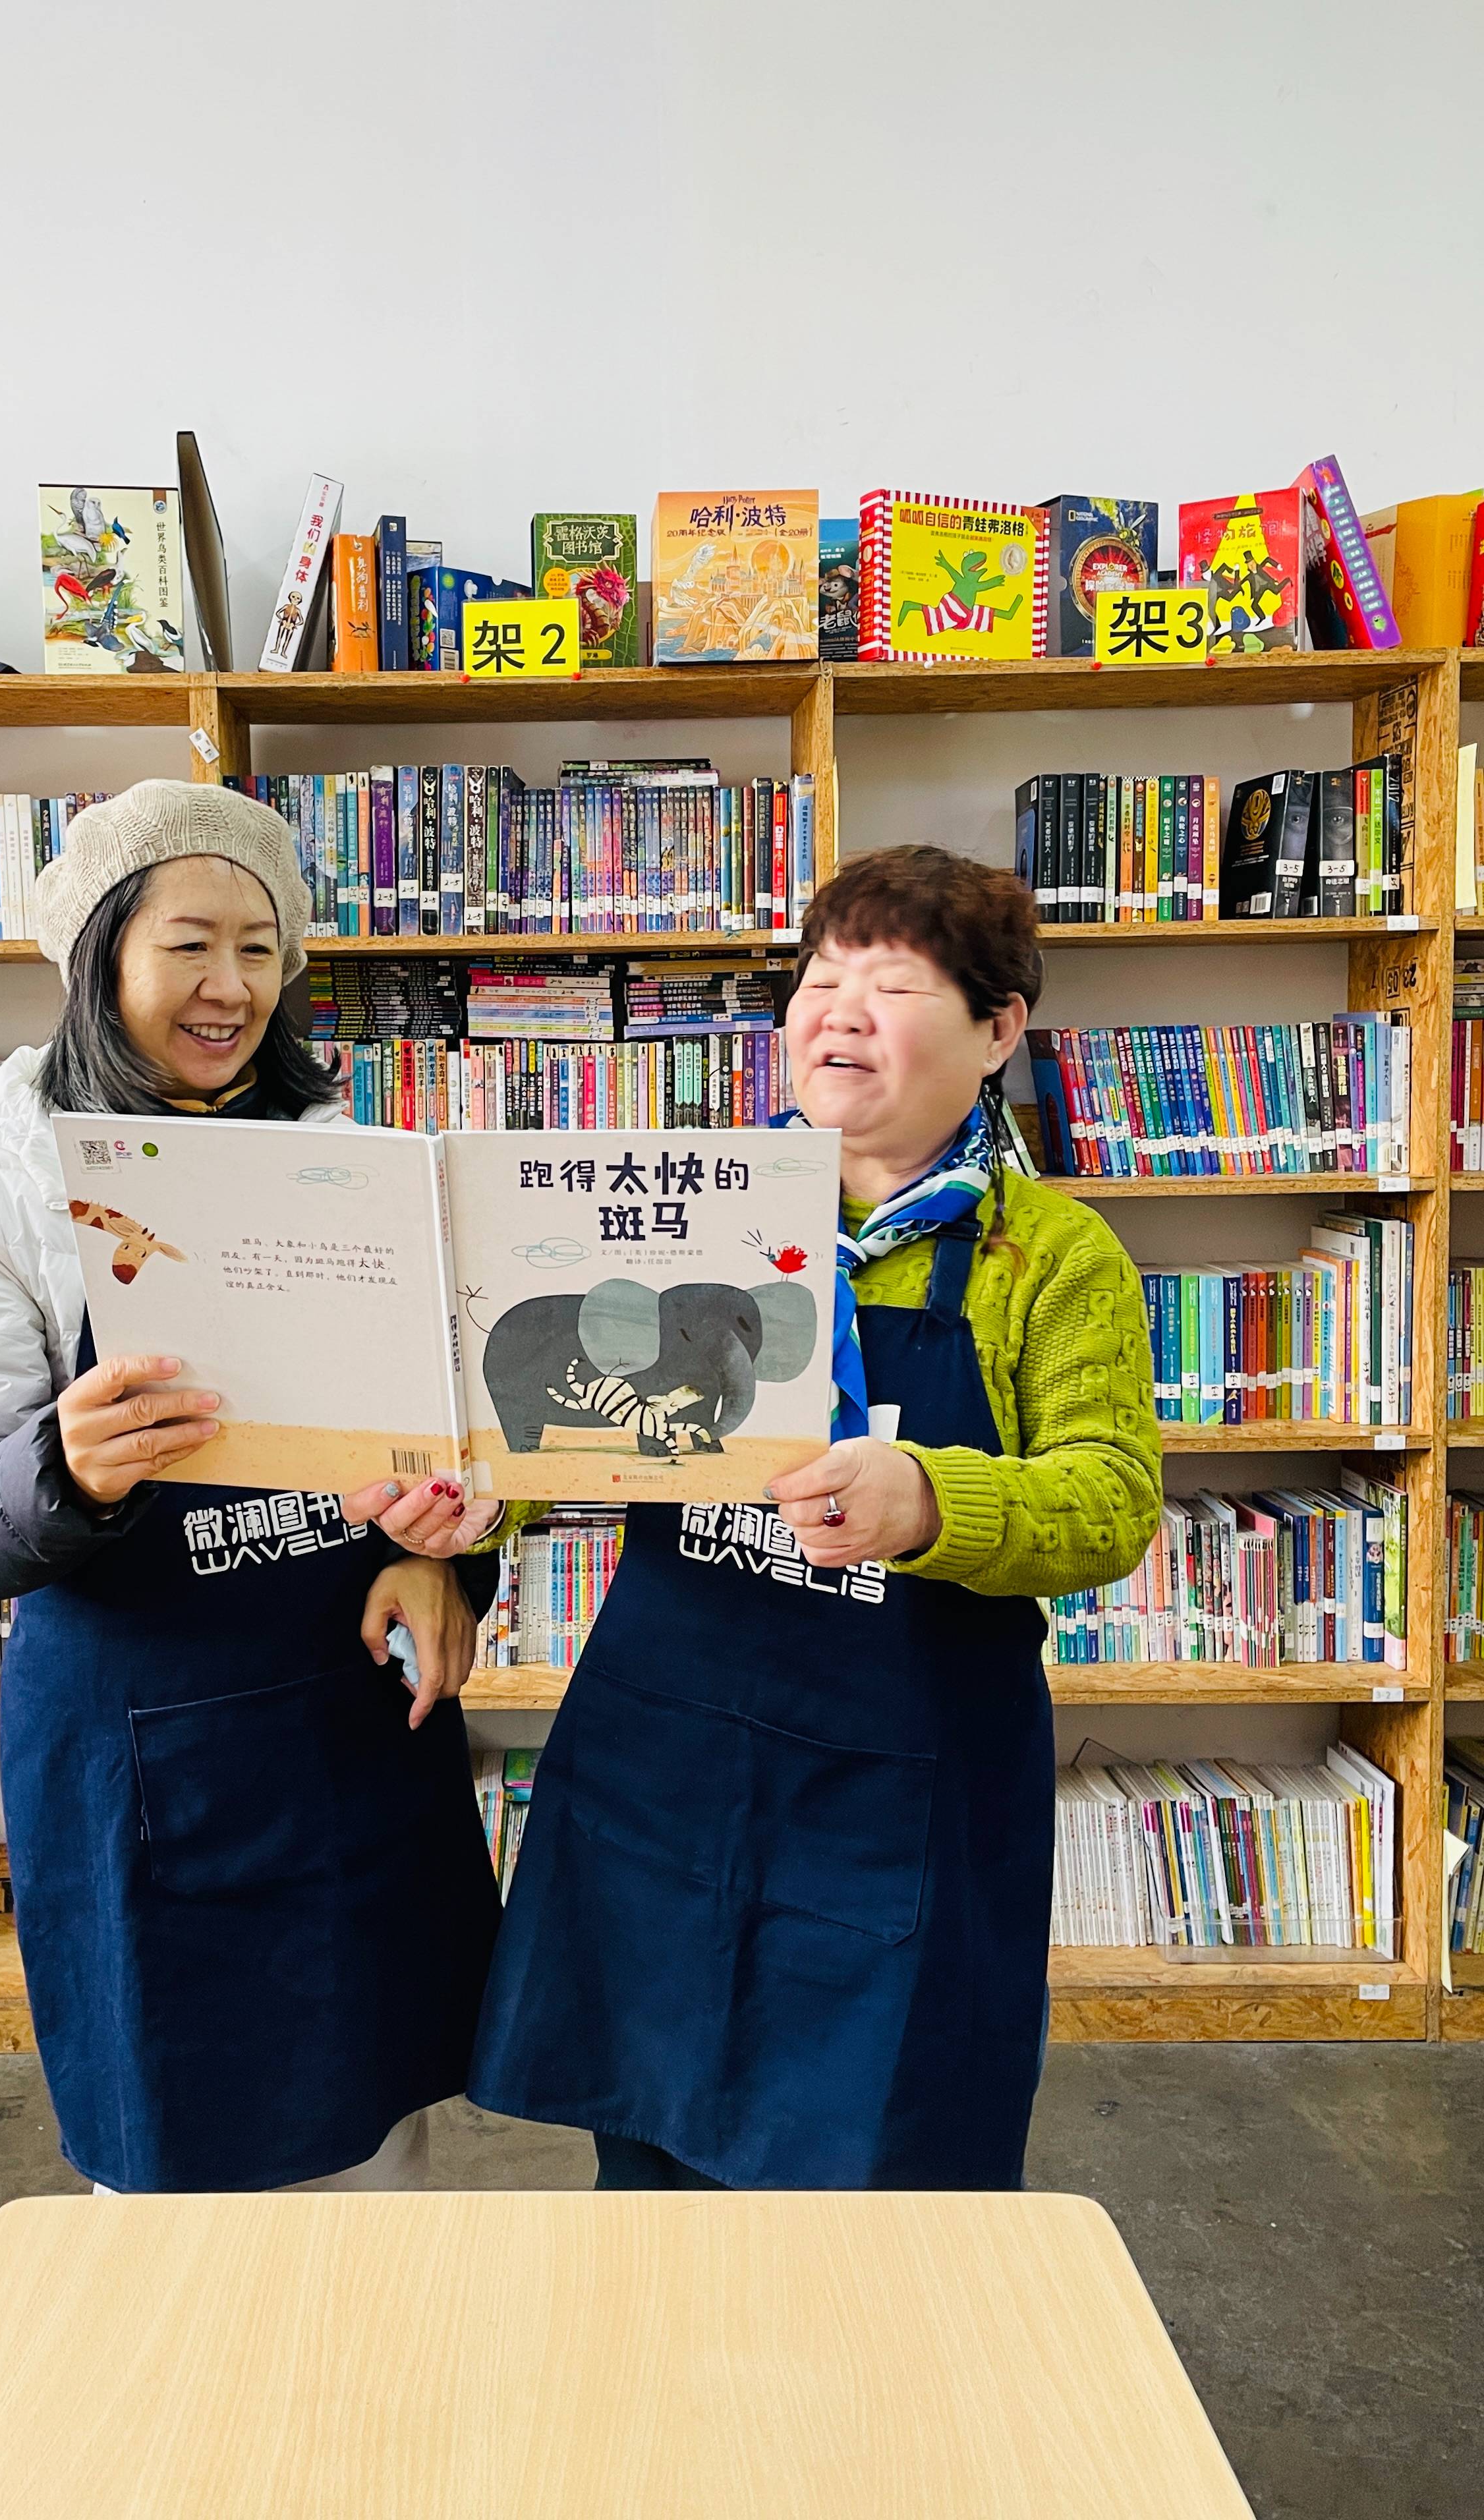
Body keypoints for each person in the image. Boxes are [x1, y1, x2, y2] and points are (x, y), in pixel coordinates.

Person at [469, 844, 1161, 2191]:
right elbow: (564, 1421)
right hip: (668, 1769)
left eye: (892, 986)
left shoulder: (1050, 1256)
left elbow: (1111, 1500)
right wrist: (469, 1511)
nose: (839, 1013)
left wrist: (931, 1498)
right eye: (820, 982)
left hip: (901, 1800)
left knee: (883, 2187)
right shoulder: (681, 1213)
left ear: (998, 1031)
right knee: (652, 2170)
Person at [0, 781, 503, 2194]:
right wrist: (63, 1467)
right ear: (99, 956)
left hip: (348, 1733)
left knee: (382, 2160)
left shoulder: (350, 1168)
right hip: (141, 1766)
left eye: (261, 949)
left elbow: (440, 1448)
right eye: (190, 945)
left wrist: (440, 1555)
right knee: (181, 2195)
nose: (232, 987)